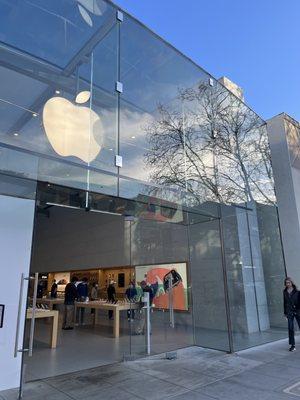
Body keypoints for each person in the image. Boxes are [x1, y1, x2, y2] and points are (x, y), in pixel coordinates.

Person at [283, 277, 300, 351]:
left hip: (297, 311)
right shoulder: (285, 292)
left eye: (289, 282)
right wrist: (285, 313)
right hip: (289, 312)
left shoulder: (297, 291)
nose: (288, 284)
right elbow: (285, 303)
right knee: (290, 328)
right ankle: (292, 345)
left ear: (292, 283)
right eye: (286, 283)